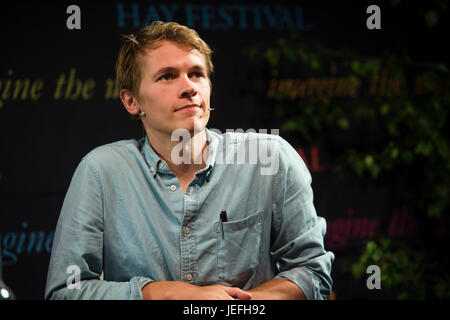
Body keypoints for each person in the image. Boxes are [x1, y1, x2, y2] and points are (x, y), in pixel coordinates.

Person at [45, 21, 334, 300]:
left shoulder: (269, 158)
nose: (189, 87)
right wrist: (167, 294)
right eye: (167, 76)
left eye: (196, 74)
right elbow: (66, 291)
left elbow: (312, 272)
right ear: (132, 101)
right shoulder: (102, 171)